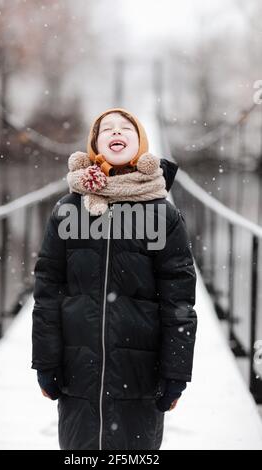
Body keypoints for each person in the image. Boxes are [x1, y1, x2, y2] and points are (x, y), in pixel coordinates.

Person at [31, 107, 197, 450]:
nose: (116, 132)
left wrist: (176, 372)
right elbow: (47, 290)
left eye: (126, 129)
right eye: (106, 129)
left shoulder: (161, 214)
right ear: (94, 144)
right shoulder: (69, 209)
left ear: (141, 145)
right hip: (79, 373)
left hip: (140, 375)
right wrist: (46, 360)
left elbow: (179, 299)